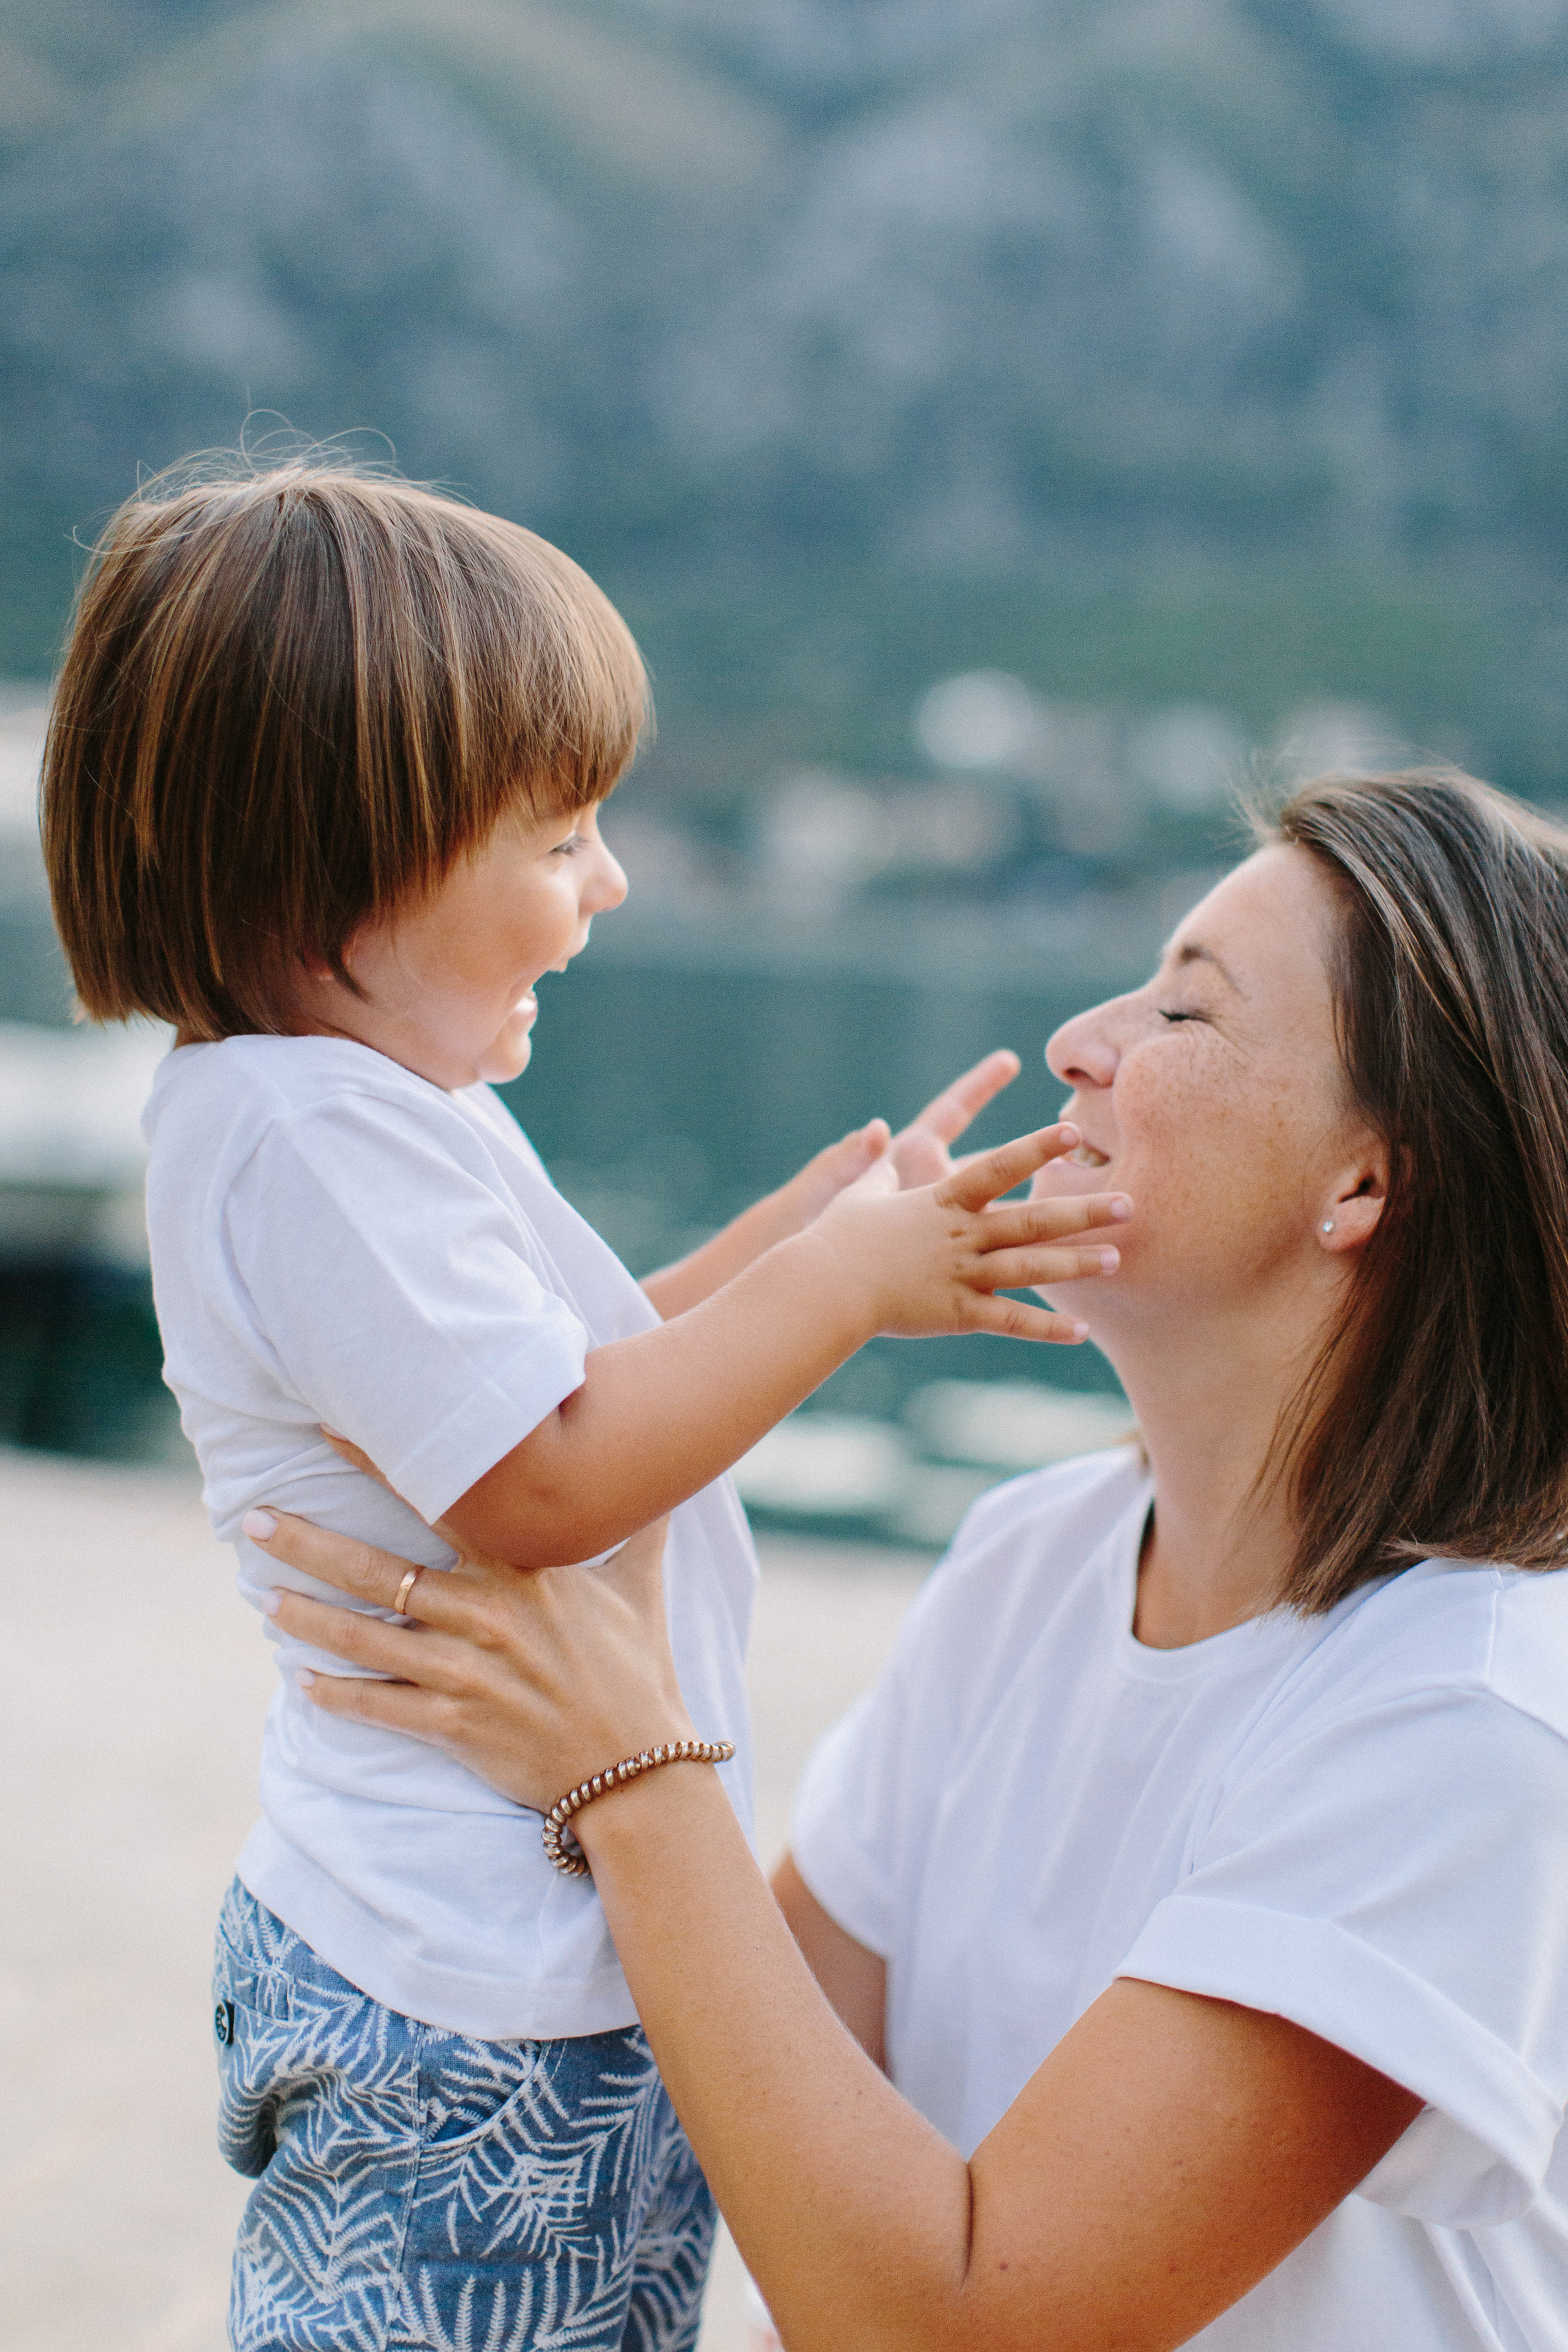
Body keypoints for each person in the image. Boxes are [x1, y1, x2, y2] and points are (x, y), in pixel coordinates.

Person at [255, 769, 1568, 2351]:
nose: (1087, 1038)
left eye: (1186, 1015)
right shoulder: (1038, 1558)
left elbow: (952, 2323)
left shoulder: (1472, 1713)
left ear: (1367, 1181)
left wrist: (629, 1761)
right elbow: (756, 2093)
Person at [39, 455, 1131, 2352]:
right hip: (463, 2012)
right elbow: (541, 1484)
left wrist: (802, 1261)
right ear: (335, 882)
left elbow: (567, 1386)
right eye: (558, 838)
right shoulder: (305, 1139)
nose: (608, 880)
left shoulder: (385, 1109)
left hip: (495, 1964)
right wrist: (829, 1292)